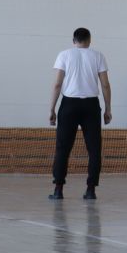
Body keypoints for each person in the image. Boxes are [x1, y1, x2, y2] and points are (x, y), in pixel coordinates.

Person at [49, 26, 110, 201]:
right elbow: (105, 84)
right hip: (91, 105)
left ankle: (58, 189)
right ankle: (91, 190)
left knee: (63, 148)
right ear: (89, 40)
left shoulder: (64, 55)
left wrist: (52, 109)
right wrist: (108, 108)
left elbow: (57, 84)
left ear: (74, 41)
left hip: (69, 104)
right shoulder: (98, 56)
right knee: (94, 149)